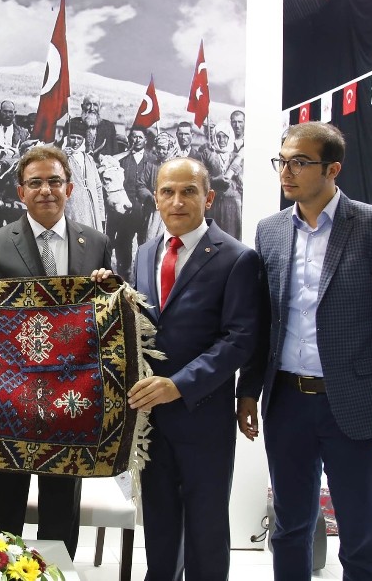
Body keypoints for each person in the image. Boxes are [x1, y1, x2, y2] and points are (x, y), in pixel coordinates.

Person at [237, 121, 372, 581]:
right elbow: (265, 322)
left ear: (332, 169)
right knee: (289, 528)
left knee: (361, 536)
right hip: (287, 402)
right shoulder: (271, 231)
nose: (286, 172)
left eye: (299, 162)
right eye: (282, 161)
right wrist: (248, 390)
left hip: (358, 407)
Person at [127, 157, 260, 580]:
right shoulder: (145, 254)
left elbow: (240, 339)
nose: (177, 201)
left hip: (202, 417)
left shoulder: (237, 258)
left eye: (189, 192)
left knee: (206, 531)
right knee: (160, 526)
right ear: (156, 198)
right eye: (167, 192)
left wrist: (179, 385)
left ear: (209, 198)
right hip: (152, 421)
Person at [0, 144, 113, 559]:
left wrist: (109, 287)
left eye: (55, 181)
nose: (46, 190)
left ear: (70, 188)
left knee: (61, 507)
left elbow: (106, 313)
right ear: (21, 191)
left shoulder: (96, 243)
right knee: (2, 506)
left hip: (71, 398)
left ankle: (57, 572)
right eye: (35, 183)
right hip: (10, 397)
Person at [108, 125, 155, 282]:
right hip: (126, 208)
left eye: (140, 137)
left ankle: (143, 275)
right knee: (124, 240)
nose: (137, 140)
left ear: (146, 140)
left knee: (145, 241)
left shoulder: (152, 159)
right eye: (134, 137)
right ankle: (125, 273)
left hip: (145, 208)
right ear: (130, 139)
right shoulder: (122, 159)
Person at [61, 117, 104, 231]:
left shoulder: (89, 159)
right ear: (66, 138)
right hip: (71, 210)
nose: (76, 142)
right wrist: (61, 157)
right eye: (72, 137)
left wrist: (101, 215)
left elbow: (98, 187)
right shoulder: (59, 158)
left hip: (92, 211)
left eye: (79, 138)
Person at [68, 94, 118, 158]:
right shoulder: (72, 124)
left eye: (95, 105)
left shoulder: (109, 127)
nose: (92, 108)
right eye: (88, 104)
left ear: (99, 107)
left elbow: (115, 153)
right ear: (82, 106)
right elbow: (62, 148)